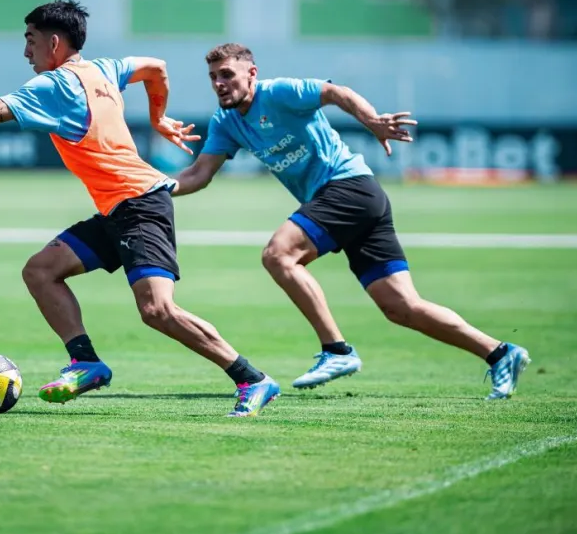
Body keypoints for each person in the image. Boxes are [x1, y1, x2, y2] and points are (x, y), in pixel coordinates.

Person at [0, 0, 280, 417]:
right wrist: (158, 117)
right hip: (120, 209)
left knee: (158, 310)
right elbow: (156, 68)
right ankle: (86, 363)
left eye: (30, 41)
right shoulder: (103, 69)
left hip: (139, 205)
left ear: (54, 42)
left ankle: (252, 378)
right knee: (40, 270)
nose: (26, 52)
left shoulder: (54, 85)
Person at [172, 43, 530, 400]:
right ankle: (500, 353)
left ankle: (337, 350)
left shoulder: (279, 92)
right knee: (401, 307)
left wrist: (372, 121)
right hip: (354, 199)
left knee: (278, 255)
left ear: (252, 73)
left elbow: (335, 92)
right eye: (213, 77)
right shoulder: (226, 122)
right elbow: (199, 175)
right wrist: (149, 187)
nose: (219, 83)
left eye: (227, 75)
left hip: (348, 188)